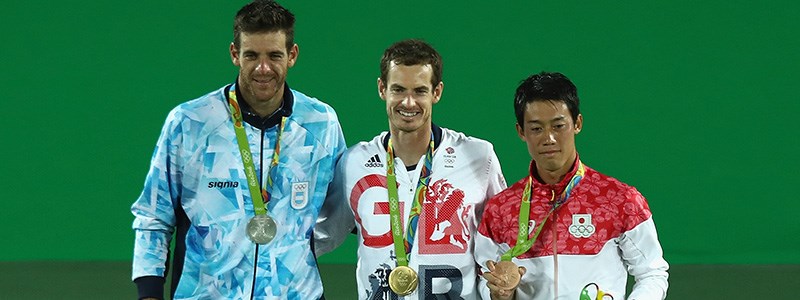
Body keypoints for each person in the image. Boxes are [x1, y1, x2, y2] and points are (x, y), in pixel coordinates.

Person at [130, 1, 346, 299]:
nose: (263, 68)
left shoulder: (321, 122)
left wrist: (294, 249)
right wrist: (149, 292)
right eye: (251, 55)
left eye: (274, 55)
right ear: (235, 54)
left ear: (292, 55)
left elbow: (341, 211)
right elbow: (153, 216)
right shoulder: (190, 123)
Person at [316, 39, 507, 300]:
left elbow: (501, 242)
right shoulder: (354, 162)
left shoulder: (478, 157)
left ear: (437, 92)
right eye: (398, 90)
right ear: (382, 89)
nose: (408, 102)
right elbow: (321, 235)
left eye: (419, 91)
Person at [475, 71, 669, 300]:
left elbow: (652, 273)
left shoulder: (620, 199)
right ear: (521, 132)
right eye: (536, 128)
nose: (549, 138)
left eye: (558, 126)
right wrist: (500, 294)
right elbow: (482, 279)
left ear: (577, 123)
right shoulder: (501, 209)